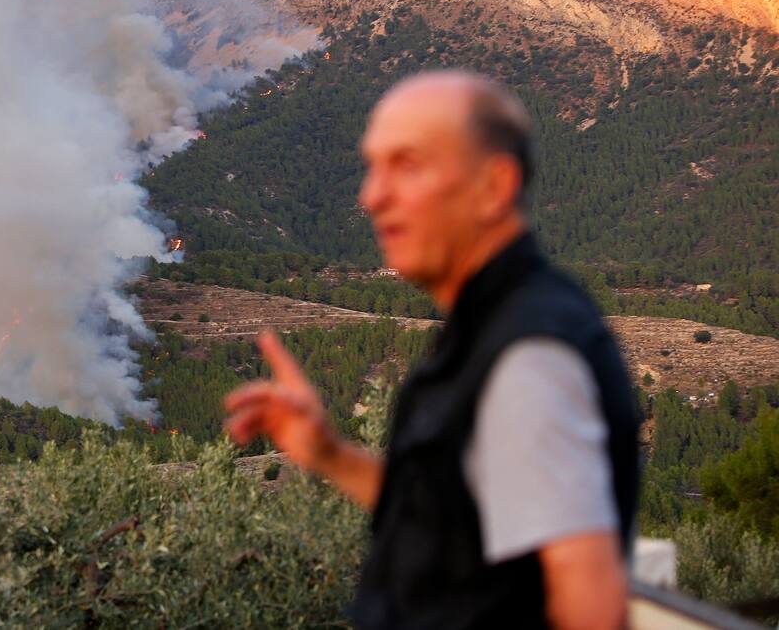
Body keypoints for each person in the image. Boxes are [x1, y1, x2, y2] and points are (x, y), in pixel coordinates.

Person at [223, 71, 639, 629]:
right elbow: (450, 521)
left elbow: (592, 608)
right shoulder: (489, 325)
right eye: (373, 166)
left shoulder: (530, 357)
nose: (371, 195)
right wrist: (330, 454)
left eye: (407, 165)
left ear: (494, 186)